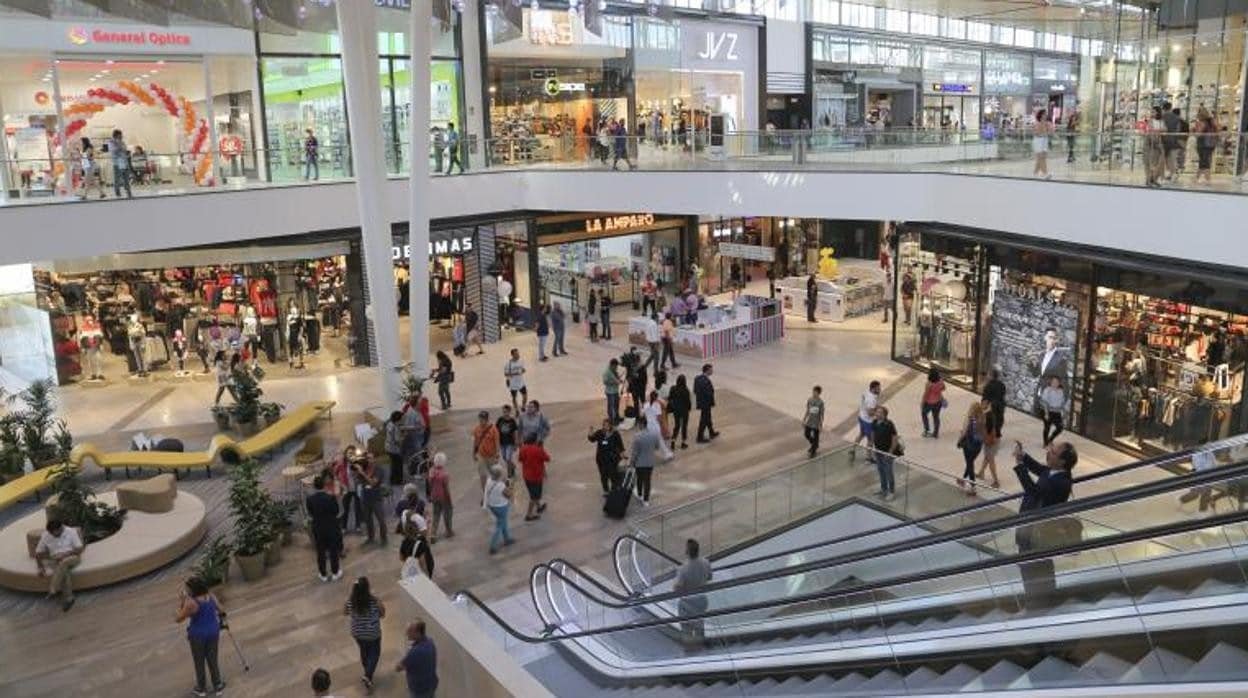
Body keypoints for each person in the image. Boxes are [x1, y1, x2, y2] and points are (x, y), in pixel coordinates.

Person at [1013, 440, 1077, 608]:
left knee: (1034, 567)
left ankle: (1038, 603)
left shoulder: (1062, 483)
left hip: (1037, 534)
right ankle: (1040, 599)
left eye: (1053, 452)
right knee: (1032, 567)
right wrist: (1024, 456)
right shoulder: (1053, 472)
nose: (1049, 453)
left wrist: (1020, 466)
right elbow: (1038, 469)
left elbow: (1034, 492)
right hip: (1030, 529)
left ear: (1063, 461)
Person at [176, 577, 225, 697]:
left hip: (198, 636)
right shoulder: (211, 596)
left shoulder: (191, 603)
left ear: (193, 590)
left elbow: (178, 619)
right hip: (213, 632)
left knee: (199, 661)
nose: (186, 590)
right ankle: (218, 684)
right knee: (212, 659)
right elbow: (221, 609)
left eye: (187, 589)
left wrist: (182, 601)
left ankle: (201, 688)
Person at [344, 576, 386, 692]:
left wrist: (349, 599)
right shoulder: (374, 601)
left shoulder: (351, 602)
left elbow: (344, 612)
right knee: (375, 654)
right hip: (373, 634)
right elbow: (383, 614)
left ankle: (368, 675)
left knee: (364, 651)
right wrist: (378, 602)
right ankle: (368, 675)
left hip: (357, 633)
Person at [34, 519, 84, 612]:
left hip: (72, 557)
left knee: (63, 562)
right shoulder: (46, 535)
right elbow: (38, 553)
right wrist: (40, 567)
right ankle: (69, 599)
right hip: (55, 560)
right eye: (53, 534)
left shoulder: (71, 532)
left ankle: (53, 588)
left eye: (57, 533)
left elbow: (79, 548)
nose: (55, 535)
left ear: (61, 528)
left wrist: (65, 554)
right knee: (63, 569)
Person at [673, 538, 713, 642]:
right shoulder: (706, 562)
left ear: (687, 551)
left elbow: (677, 588)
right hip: (701, 600)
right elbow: (709, 577)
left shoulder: (683, 569)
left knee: (686, 628)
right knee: (700, 624)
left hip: (687, 603)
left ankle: (691, 649)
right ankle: (701, 645)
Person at [307, 475, 343, 581]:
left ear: (314, 486)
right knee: (333, 550)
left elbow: (311, 513)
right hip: (331, 527)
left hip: (318, 527)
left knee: (320, 551)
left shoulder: (310, 499)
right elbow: (336, 511)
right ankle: (335, 572)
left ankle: (323, 574)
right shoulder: (330, 497)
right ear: (324, 485)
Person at [396, 620, 438, 698]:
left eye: (410, 631)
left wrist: (409, 652)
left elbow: (398, 668)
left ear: (418, 633)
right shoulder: (430, 642)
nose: (406, 633)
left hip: (419, 690)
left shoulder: (415, 652)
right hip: (431, 684)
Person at [355, 453, 388, 546]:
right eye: (367, 458)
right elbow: (358, 481)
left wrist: (362, 473)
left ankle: (384, 538)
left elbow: (373, 483)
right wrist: (358, 472)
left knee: (381, 520)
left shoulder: (379, 470)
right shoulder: (364, 468)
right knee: (368, 519)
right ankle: (370, 537)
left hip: (376, 498)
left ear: (374, 459)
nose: (368, 460)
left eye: (370, 458)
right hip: (365, 497)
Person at [630, 414, 662, 506]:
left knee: (639, 479)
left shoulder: (637, 437)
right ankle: (646, 500)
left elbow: (635, 452)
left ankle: (640, 494)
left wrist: (631, 463)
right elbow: (657, 447)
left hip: (639, 463)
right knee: (647, 481)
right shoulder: (654, 435)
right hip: (650, 462)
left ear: (641, 425)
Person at [588, 418, 625, 495]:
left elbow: (620, 445)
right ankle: (606, 490)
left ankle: (614, 490)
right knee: (603, 476)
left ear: (610, 425)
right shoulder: (599, 433)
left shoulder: (615, 434)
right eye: (604, 425)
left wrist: (622, 455)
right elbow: (592, 439)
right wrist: (590, 432)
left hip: (612, 459)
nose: (605, 427)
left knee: (613, 475)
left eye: (607, 425)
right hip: (601, 459)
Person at [483, 464, 515, 554]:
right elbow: (508, 494)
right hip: (501, 506)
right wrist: (510, 485)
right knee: (499, 525)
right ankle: (493, 546)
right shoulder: (501, 485)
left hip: (492, 506)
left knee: (503, 521)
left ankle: (507, 538)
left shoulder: (489, 480)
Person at [518, 434, 550, 521]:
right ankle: (529, 514)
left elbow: (520, 459)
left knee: (534, 493)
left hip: (526, 476)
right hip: (536, 476)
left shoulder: (523, 449)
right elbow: (547, 458)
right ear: (535, 441)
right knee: (534, 496)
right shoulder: (538, 450)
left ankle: (539, 506)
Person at [957, 402, 986, 496]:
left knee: (970, 464)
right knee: (970, 462)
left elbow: (965, 432)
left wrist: (959, 440)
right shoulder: (983, 419)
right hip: (978, 446)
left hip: (968, 445)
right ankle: (963, 479)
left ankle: (973, 487)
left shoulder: (971, 419)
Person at [871, 406, 899, 500]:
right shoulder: (874, 422)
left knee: (888, 472)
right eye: (877, 412)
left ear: (884, 414)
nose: (877, 414)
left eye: (880, 412)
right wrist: (872, 445)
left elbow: (894, 438)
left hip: (887, 453)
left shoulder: (889, 424)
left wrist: (890, 452)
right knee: (881, 470)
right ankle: (883, 489)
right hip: (878, 451)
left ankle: (891, 491)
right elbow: (873, 433)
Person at [426, 453, 454, 541]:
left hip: (434, 496)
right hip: (443, 497)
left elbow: (429, 485)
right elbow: (446, 488)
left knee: (436, 515)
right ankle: (449, 531)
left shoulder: (431, 472)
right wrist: (449, 499)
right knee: (447, 513)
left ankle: (433, 534)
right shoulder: (444, 474)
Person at [472, 410, 500, 494]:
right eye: (480, 419)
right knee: (482, 475)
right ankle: (485, 494)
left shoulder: (493, 429)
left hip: (491, 456)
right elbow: (475, 442)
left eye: (483, 419)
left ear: (487, 419)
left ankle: (495, 491)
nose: (481, 421)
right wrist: (473, 453)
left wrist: (497, 455)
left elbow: (497, 442)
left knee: (494, 474)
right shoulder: (476, 429)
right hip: (481, 456)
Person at [977, 399, 1003, 489]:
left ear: (988, 405)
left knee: (990, 460)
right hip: (993, 439)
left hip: (991, 440)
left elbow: (991, 431)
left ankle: (996, 481)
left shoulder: (988, 416)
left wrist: (990, 440)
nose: (981, 404)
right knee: (987, 458)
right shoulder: (992, 415)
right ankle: (981, 473)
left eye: (983, 403)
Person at [854, 380, 882, 458]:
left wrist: (876, 406)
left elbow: (865, 402)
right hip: (868, 422)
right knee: (871, 440)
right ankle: (868, 457)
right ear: (873, 388)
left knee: (861, 434)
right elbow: (870, 413)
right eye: (878, 388)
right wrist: (879, 413)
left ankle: (853, 449)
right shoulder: (871, 400)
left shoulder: (867, 392)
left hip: (861, 417)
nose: (880, 389)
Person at [644, 389, 673, 460]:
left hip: (649, 425)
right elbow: (659, 418)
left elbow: (643, 415)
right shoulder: (657, 405)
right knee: (660, 441)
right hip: (655, 426)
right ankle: (667, 454)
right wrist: (663, 427)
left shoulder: (646, 405)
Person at [693, 363, 719, 443]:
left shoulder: (697, 378)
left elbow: (695, 390)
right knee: (704, 419)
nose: (712, 371)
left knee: (707, 418)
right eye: (711, 370)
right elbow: (709, 393)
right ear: (707, 370)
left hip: (701, 402)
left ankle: (711, 432)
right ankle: (699, 437)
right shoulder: (705, 381)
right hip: (706, 403)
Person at [666, 374, 692, 450]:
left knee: (677, 426)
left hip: (676, 410)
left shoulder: (673, 388)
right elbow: (688, 402)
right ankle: (683, 442)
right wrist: (689, 408)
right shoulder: (685, 390)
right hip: (684, 410)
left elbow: (670, 398)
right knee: (684, 426)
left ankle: (673, 441)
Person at [1193, 107, 1217, 184]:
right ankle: (1199, 177)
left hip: (1203, 144)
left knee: (1204, 161)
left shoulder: (1202, 123)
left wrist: (1194, 129)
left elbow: (1198, 134)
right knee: (1205, 160)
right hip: (1211, 144)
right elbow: (1218, 130)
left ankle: (1207, 178)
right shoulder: (1212, 122)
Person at [107, 129, 133, 198]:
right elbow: (113, 150)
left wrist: (127, 152)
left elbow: (124, 149)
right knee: (117, 179)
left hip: (124, 162)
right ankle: (117, 193)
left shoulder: (122, 142)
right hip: (117, 163)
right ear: (116, 135)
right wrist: (119, 145)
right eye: (120, 135)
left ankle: (128, 192)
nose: (121, 136)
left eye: (121, 135)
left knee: (126, 178)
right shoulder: (111, 142)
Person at [920, 368, 946, 438]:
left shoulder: (929, 384)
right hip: (938, 402)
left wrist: (922, 403)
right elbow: (943, 388)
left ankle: (927, 430)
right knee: (936, 417)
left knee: (924, 414)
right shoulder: (941, 381)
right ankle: (936, 433)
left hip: (929, 403)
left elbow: (926, 394)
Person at [1040, 376, 1066, 446]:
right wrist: (1046, 413)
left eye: (1057, 382)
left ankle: (1050, 439)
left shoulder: (1061, 391)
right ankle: (1045, 443)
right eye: (1054, 382)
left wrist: (1063, 413)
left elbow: (1062, 403)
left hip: (1057, 412)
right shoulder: (1047, 390)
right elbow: (1044, 403)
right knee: (1047, 427)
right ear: (1050, 382)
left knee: (1060, 427)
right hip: (1048, 411)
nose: (1055, 383)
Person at [802, 385, 826, 458]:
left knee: (816, 437)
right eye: (813, 391)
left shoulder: (821, 402)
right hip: (809, 421)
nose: (813, 393)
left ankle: (813, 451)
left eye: (815, 392)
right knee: (806, 434)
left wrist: (821, 424)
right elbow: (807, 410)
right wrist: (804, 419)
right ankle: (815, 445)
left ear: (819, 393)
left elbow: (822, 414)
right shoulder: (810, 400)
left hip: (816, 422)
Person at [496, 404, 519, 476]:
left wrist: (515, 443)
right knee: (504, 457)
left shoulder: (512, 421)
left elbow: (515, 432)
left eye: (506, 411)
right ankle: (513, 466)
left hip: (510, 442)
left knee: (508, 458)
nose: (504, 413)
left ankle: (509, 474)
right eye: (503, 411)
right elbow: (496, 431)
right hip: (502, 442)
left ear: (509, 412)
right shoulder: (500, 419)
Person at [983, 368, 1006, 437]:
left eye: (988, 375)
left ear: (991, 376)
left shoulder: (988, 386)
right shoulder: (1002, 384)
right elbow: (1003, 394)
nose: (987, 376)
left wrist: (983, 407)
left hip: (991, 405)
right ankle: (997, 432)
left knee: (990, 420)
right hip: (1000, 405)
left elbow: (985, 398)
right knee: (999, 419)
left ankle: (990, 434)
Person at [384, 410, 405, 487]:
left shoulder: (389, 424)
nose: (403, 419)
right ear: (398, 419)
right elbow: (397, 440)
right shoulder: (395, 428)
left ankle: (392, 479)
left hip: (388, 447)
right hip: (394, 449)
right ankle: (399, 480)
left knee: (393, 464)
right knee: (398, 465)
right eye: (401, 418)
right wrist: (403, 437)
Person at [1032, 110, 1052, 179]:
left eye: (1046, 114)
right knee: (1040, 157)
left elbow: (1050, 131)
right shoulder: (1037, 123)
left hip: (1044, 140)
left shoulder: (1047, 123)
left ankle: (1035, 172)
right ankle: (1045, 173)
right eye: (1044, 114)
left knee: (1042, 158)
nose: (1046, 115)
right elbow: (1036, 133)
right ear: (1041, 115)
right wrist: (1043, 133)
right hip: (1038, 141)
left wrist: (1048, 127)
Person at [603, 358, 622, 425]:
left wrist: (619, 380)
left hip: (615, 391)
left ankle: (617, 417)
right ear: (612, 365)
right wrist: (615, 382)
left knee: (616, 405)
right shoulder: (607, 372)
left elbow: (617, 378)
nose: (616, 368)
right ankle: (611, 420)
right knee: (611, 406)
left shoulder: (615, 371)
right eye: (615, 366)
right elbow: (605, 382)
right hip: (610, 392)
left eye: (616, 366)